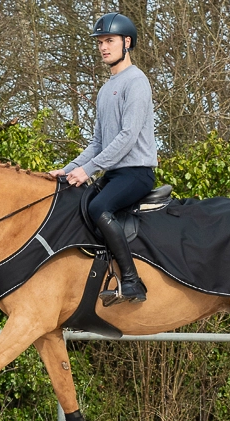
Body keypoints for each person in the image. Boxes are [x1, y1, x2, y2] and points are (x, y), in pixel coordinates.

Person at [54, 12, 156, 305]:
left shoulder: (136, 82)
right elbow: (98, 143)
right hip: (114, 173)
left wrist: (89, 170)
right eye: (100, 42)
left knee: (98, 207)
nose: (103, 47)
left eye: (109, 40)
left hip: (136, 172)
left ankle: (132, 281)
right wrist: (67, 170)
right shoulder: (104, 90)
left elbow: (127, 136)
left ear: (127, 42)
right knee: (76, 203)